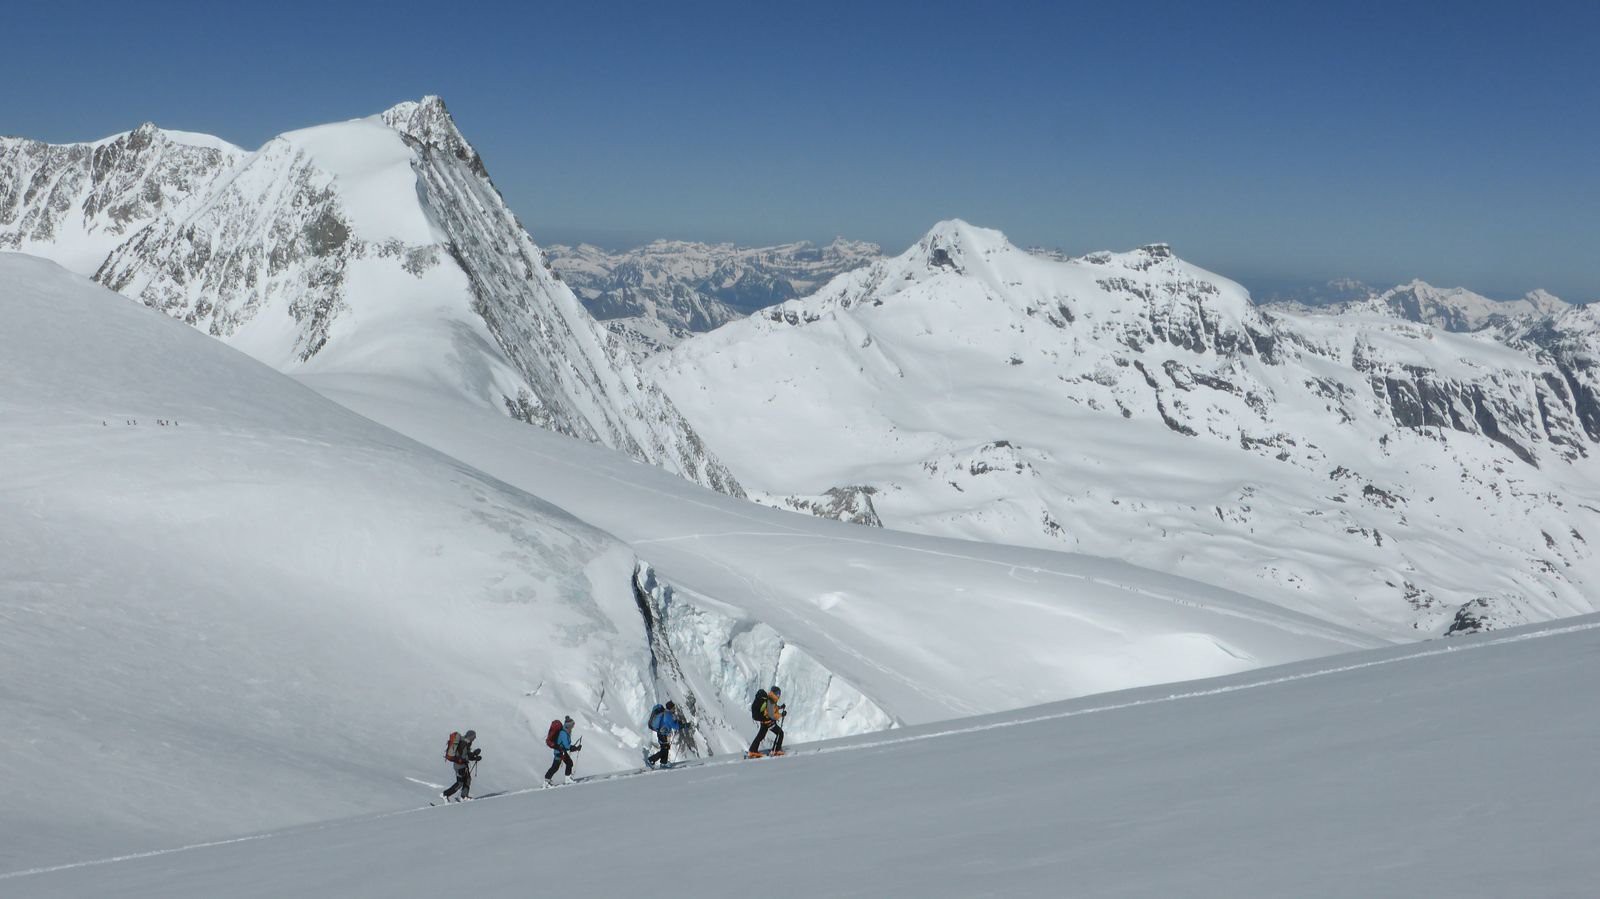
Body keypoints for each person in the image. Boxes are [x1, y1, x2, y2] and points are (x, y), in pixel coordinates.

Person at [441, 729, 482, 802]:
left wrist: (475, 756)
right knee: (460, 783)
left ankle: (464, 796)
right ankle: (445, 794)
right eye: (474, 737)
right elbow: (462, 755)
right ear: (470, 736)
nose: (474, 738)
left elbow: (466, 755)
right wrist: (472, 756)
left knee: (467, 780)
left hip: (463, 765)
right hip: (459, 766)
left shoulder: (467, 742)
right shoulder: (463, 742)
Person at [747, 686, 785, 758]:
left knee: (760, 736)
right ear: (776, 693)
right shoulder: (770, 701)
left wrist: (780, 707)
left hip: (764, 721)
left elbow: (773, 708)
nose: (779, 695)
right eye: (778, 693)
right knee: (780, 733)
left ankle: (752, 750)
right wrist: (781, 715)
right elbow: (772, 715)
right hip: (768, 722)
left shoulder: (770, 699)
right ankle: (776, 750)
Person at [544, 715, 582, 786]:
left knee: (565, 764)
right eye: (572, 725)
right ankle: (546, 782)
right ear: (568, 726)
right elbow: (567, 746)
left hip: (561, 751)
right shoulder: (563, 733)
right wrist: (576, 748)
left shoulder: (565, 732)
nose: (573, 727)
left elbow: (566, 746)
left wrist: (575, 748)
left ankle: (565, 779)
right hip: (559, 752)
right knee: (556, 766)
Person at [646, 700, 681, 769]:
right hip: (662, 734)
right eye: (673, 708)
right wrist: (682, 725)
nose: (674, 709)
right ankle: (651, 760)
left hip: (661, 733)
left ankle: (664, 762)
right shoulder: (668, 715)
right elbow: (675, 726)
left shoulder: (666, 713)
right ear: (670, 708)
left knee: (665, 747)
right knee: (664, 749)